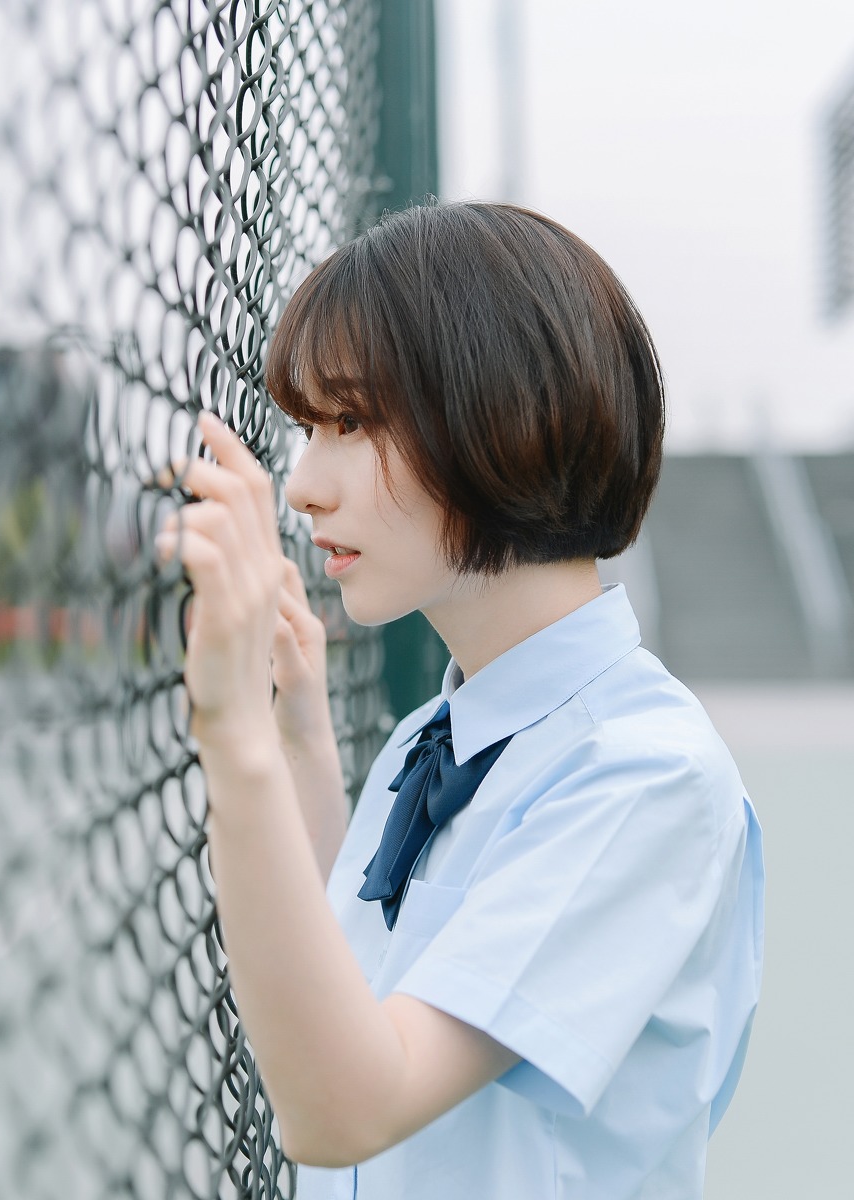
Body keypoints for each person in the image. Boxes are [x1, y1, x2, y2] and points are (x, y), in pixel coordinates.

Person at [153, 201, 764, 1200]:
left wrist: (232, 738)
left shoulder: (641, 775)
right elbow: (349, 982)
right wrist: (299, 738)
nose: (301, 484)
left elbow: (345, 1105)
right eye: (308, 429)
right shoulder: (432, 739)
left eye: (348, 421)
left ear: (499, 411)